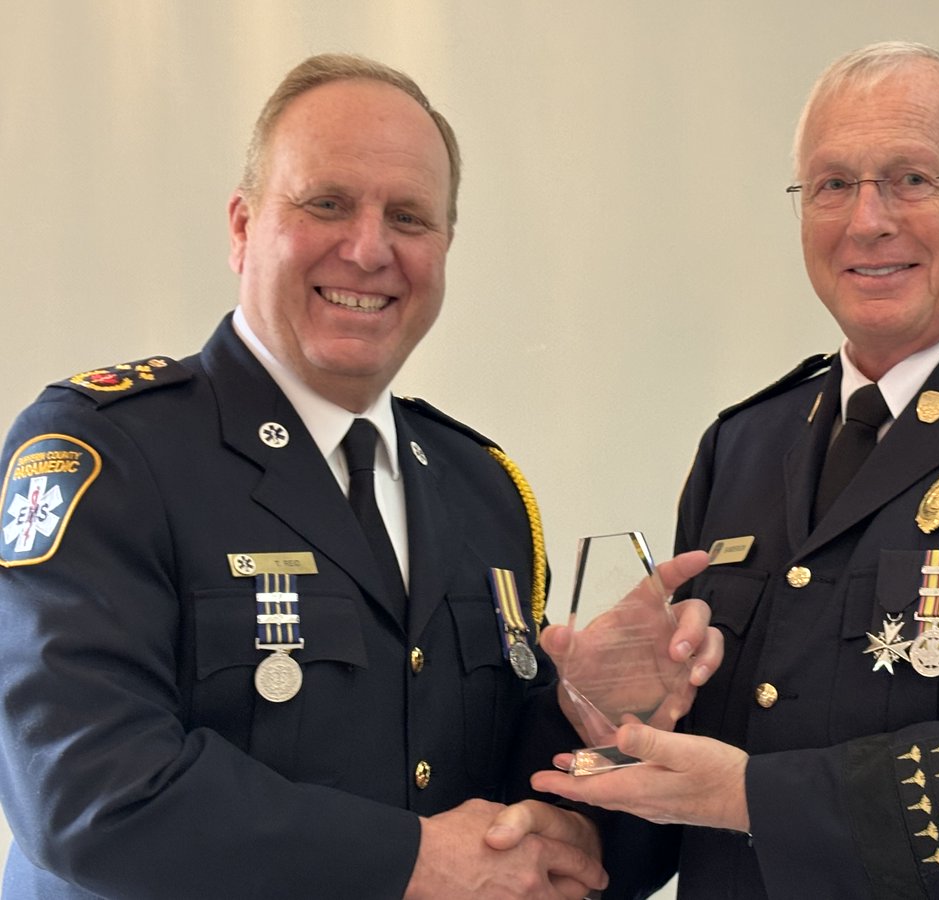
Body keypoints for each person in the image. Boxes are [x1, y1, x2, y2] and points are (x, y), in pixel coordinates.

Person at [0, 53, 717, 899]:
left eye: (409, 217)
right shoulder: (109, 452)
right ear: (241, 226)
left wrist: (593, 720)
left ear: (445, 246)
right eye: (327, 203)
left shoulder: (480, 487)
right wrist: (412, 860)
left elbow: (497, 800)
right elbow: (89, 794)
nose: (369, 249)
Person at [532, 41, 939, 898]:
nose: (867, 220)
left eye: (913, 178)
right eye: (833, 185)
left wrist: (756, 800)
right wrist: (618, 718)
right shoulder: (744, 443)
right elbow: (676, 805)